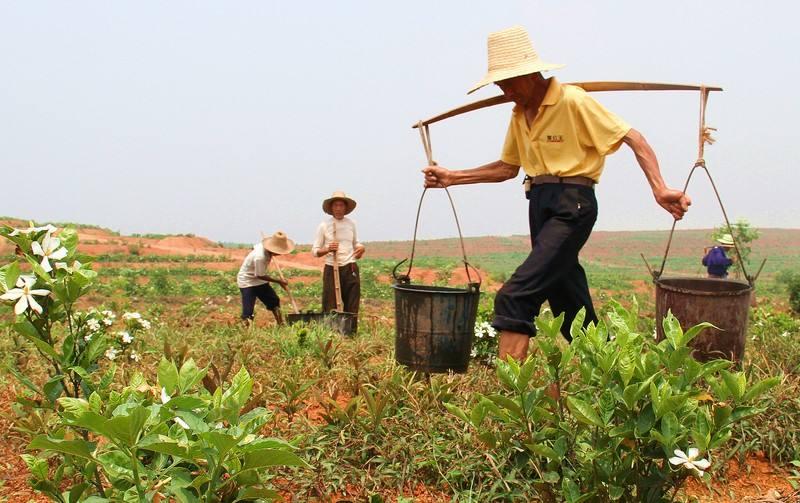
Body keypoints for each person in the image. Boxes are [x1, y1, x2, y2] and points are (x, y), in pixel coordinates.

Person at [422, 26, 692, 362]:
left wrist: (659, 188)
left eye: (510, 83)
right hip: (539, 203)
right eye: (500, 86)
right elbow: (507, 168)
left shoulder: (573, 100)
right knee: (568, 303)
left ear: (531, 74)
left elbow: (633, 137)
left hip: (572, 204)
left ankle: (512, 386)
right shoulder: (519, 114)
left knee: (515, 296)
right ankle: (614, 370)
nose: (506, 92)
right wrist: (453, 176)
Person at [311, 191, 366, 325]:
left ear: (346, 208)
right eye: (335, 205)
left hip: (350, 266)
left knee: (352, 301)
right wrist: (328, 249)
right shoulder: (324, 226)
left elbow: (356, 243)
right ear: (331, 208)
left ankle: (350, 330)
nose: (338, 208)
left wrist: (361, 248)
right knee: (330, 302)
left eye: (341, 205)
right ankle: (331, 331)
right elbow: (315, 251)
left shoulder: (351, 224)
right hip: (331, 266)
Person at [236, 231, 294, 325]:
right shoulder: (260, 257)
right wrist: (279, 281)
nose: (280, 254)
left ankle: (280, 324)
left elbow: (253, 248)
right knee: (248, 311)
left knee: (274, 301)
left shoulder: (262, 247)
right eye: (279, 252)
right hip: (247, 281)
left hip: (259, 280)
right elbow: (260, 275)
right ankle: (245, 329)